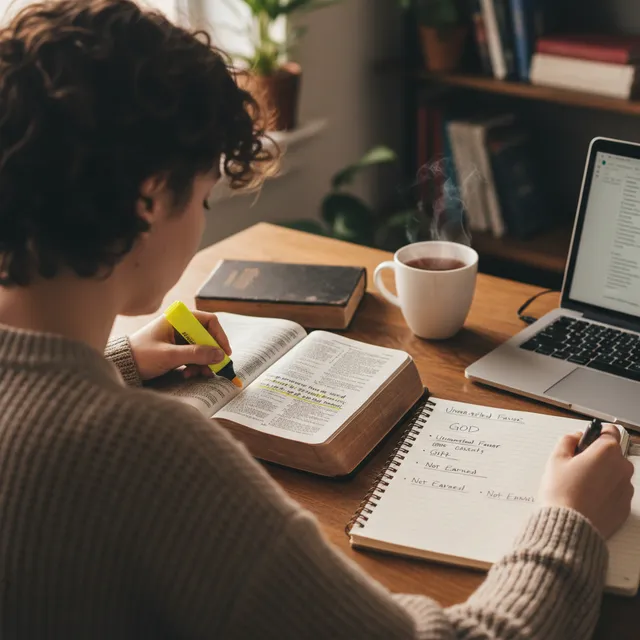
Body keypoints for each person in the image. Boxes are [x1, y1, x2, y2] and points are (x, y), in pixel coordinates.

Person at [0, 1, 633, 638]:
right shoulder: (151, 457)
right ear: (148, 199)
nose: (202, 219)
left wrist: (120, 362)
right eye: (203, 197)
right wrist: (568, 521)